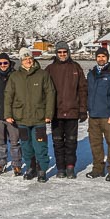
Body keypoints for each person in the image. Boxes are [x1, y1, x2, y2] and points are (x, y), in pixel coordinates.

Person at [5, 50, 55, 183]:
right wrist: (8, 114)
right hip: (21, 117)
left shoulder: (43, 75)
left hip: (39, 117)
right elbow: (8, 95)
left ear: (33, 59)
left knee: (40, 145)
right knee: (26, 145)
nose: (28, 61)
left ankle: (42, 169)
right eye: (25, 58)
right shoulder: (15, 76)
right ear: (21, 60)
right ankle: (30, 168)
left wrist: (49, 114)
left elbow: (50, 94)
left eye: (29, 58)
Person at [47, 41, 87, 178]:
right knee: (58, 142)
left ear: (68, 52)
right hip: (56, 112)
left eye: (65, 52)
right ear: (56, 53)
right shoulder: (50, 69)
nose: (62, 54)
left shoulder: (76, 67)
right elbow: (44, 91)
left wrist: (83, 109)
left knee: (71, 142)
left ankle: (70, 167)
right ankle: (60, 168)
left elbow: (82, 89)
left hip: (72, 111)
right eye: (60, 52)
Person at [86, 47, 110, 181]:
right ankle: (98, 168)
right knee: (95, 144)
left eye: (103, 56)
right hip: (93, 115)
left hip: (108, 116)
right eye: (98, 57)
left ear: (107, 58)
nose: (101, 59)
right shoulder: (91, 74)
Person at [0, 52, 21, 175]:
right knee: (0, 142)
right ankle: (1, 164)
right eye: (0, 63)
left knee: (15, 142)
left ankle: (17, 164)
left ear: (9, 63)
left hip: (12, 115)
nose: (3, 65)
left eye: (5, 63)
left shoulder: (15, 75)